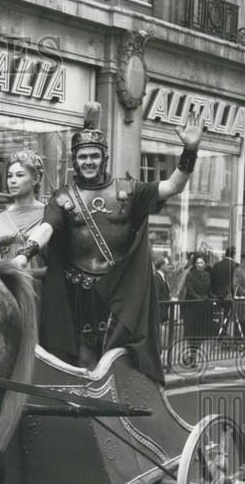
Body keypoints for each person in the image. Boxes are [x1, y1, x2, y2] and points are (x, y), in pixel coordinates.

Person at [11, 102, 203, 383]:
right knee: (85, 361)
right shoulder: (62, 198)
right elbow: (46, 229)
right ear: (75, 161)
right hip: (79, 294)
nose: (88, 161)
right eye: (82, 156)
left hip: (122, 295)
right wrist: (24, 255)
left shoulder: (129, 191)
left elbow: (173, 186)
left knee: (123, 364)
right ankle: (87, 419)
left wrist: (190, 151)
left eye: (94, 156)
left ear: (104, 158)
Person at [0, 149, 47, 267]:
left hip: (40, 283)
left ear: (35, 179)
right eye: (9, 176)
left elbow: (59, 264)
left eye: (19, 175)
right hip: (5, 283)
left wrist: (25, 274)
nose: (12, 181)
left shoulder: (49, 214)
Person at [180, 253, 212, 341]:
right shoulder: (190, 275)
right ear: (195, 264)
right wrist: (199, 298)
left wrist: (207, 296)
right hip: (193, 305)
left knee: (201, 331)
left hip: (204, 305)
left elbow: (209, 289)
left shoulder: (208, 275)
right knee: (193, 331)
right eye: (197, 263)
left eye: (201, 263)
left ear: (205, 264)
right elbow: (190, 290)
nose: (199, 265)